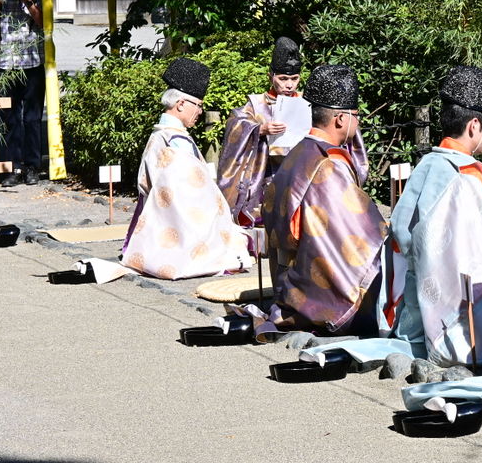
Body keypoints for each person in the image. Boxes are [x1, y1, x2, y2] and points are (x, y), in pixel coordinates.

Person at [387, 64, 482, 367]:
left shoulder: (427, 163)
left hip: (415, 311)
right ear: (474, 125)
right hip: (456, 320)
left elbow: (400, 232)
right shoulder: (467, 177)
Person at [254, 64, 383, 339]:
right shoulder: (329, 165)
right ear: (340, 119)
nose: (357, 123)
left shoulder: (297, 153)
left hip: (287, 284)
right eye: (356, 116)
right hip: (318, 296)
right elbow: (363, 235)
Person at [121, 58, 252, 280]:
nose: (200, 111)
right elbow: (191, 194)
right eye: (198, 105)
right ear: (181, 104)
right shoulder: (175, 141)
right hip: (182, 221)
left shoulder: (161, 134)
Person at [217, 37, 368, 227]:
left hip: (305, 175)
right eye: (283, 79)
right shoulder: (256, 104)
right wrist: (259, 130)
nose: (289, 85)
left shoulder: (310, 103)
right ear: (270, 75)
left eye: (294, 79)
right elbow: (236, 125)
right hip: (267, 177)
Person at [0, 0, 44, 186]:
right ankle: (13, 168)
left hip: (32, 65)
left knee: (32, 118)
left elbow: (43, 22)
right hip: (7, 66)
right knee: (10, 120)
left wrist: (27, 1)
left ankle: (32, 167)